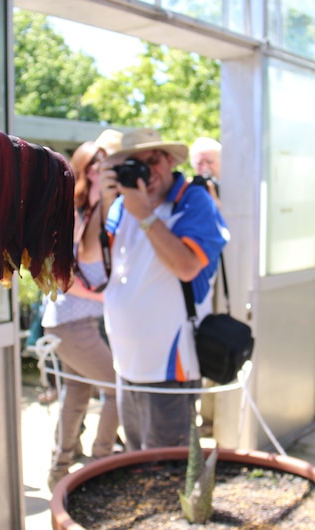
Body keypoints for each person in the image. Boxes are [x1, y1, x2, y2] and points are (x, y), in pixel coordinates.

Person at [100, 128, 229, 451]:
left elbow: (186, 266)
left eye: (152, 160)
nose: (145, 170)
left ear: (170, 160)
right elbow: (92, 260)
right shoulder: (120, 204)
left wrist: (143, 212)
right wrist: (102, 200)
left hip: (169, 367)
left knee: (166, 471)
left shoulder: (194, 200)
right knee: (135, 463)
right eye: (135, 163)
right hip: (126, 363)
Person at [42, 130, 123, 491]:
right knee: (118, 390)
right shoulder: (73, 215)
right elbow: (62, 277)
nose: (100, 169)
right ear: (82, 168)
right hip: (69, 323)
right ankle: (101, 461)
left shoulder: (102, 214)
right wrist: (111, 299)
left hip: (76, 323)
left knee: (76, 395)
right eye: (94, 163)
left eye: (106, 164)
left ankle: (60, 470)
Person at [189, 136, 221, 206]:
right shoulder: (189, 189)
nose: (205, 168)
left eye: (210, 162)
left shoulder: (233, 187)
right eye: (199, 163)